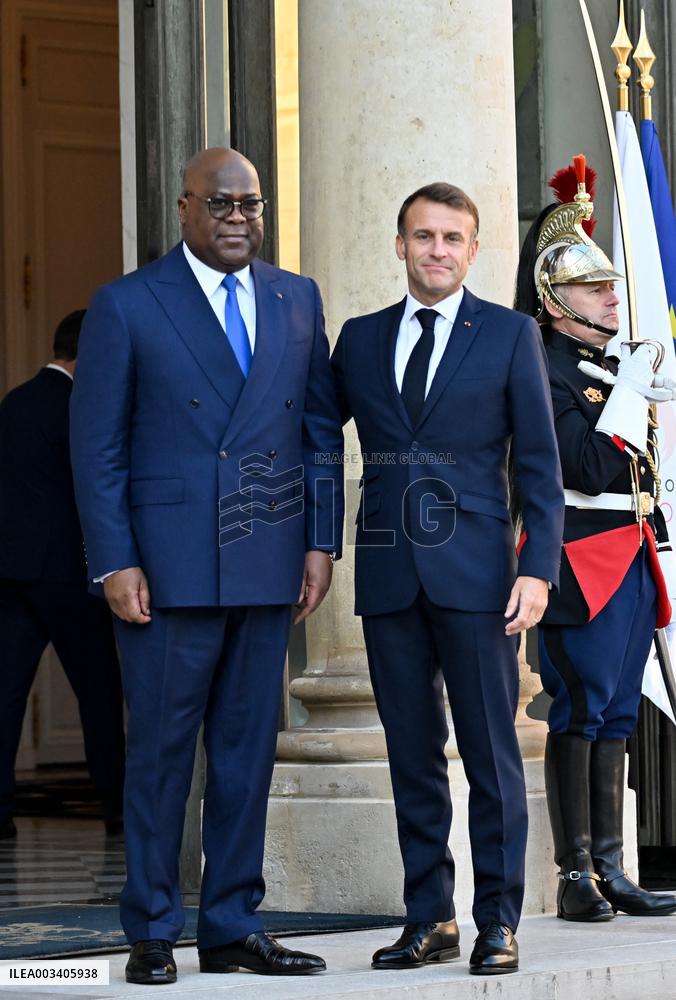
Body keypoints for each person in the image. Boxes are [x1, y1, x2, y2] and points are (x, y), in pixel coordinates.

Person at [70, 148, 344, 986]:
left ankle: (231, 924)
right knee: (159, 757)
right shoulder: (125, 304)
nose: (237, 219)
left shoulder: (296, 298)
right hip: (166, 571)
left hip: (266, 563)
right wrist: (114, 559)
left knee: (245, 755)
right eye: (221, 204)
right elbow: (98, 448)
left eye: (251, 205)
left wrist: (319, 541)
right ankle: (152, 929)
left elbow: (321, 434)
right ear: (184, 207)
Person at [331, 183, 564, 975]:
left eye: (452, 238)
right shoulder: (358, 341)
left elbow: (538, 464)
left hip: (480, 578)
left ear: (472, 250)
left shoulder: (507, 336)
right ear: (399, 245)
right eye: (423, 236)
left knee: (493, 755)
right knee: (411, 753)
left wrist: (537, 572)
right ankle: (429, 916)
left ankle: (497, 920)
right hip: (390, 573)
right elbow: (312, 438)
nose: (436, 250)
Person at [514, 162, 676, 922]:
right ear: (555, 300)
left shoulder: (606, 363)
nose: (614, 296)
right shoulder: (543, 366)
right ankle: (573, 872)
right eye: (595, 288)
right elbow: (580, 462)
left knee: (615, 714)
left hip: (633, 546)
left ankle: (610, 867)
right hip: (580, 554)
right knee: (577, 708)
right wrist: (625, 390)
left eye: (612, 286)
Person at [0, 310, 125, 839]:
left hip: (11, 574)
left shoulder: (13, 403)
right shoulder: (79, 405)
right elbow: (91, 486)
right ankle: (118, 804)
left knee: (5, 695)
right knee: (99, 693)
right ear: (86, 354)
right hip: (69, 576)